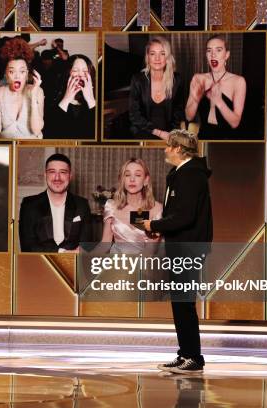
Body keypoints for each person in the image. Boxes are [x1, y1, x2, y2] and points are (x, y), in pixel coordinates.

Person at [143, 129, 213, 374]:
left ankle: (193, 357)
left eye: (169, 146)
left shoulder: (191, 175)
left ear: (179, 149)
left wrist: (155, 225)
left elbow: (184, 217)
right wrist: (160, 229)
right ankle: (186, 354)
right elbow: (177, 215)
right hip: (180, 247)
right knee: (180, 303)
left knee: (184, 303)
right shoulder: (181, 173)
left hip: (188, 249)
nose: (165, 149)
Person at [19, 153, 92, 252]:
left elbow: (86, 245)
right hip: (41, 263)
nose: (57, 178)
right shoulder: (29, 205)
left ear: (70, 176)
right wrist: (62, 253)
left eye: (63, 172)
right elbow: (27, 247)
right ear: (45, 175)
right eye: (52, 172)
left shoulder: (82, 205)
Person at [185, 35, 246, 139]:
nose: (213, 55)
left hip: (229, 141)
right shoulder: (198, 78)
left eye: (218, 50)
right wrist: (195, 100)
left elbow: (235, 123)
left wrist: (219, 101)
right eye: (209, 51)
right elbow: (189, 116)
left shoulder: (238, 81)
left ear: (226, 55)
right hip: (204, 137)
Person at [101, 158, 162, 252]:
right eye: (127, 175)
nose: (132, 179)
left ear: (146, 180)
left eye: (137, 175)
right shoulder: (111, 206)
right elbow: (104, 245)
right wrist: (83, 255)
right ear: (122, 179)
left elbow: (150, 251)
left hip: (142, 264)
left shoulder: (156, 209)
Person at [129, 37, 184, 140]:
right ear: (148, 57)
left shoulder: (177, 79)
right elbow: (134, 115)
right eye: (153, 54)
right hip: (143, 132)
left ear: (167, 57)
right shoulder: (137, 79)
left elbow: (178, 112)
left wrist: (171, 134)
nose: (157, 58)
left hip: (169, 134)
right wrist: (158, 133)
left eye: (162, 54)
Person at [0, 38, 44, 139]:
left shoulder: (37, 91)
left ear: (27, 74)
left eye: (22, 71)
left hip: (31, 148)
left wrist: (33, 98)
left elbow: (37, 130)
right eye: (12, 71)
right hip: (7, 147)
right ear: (6, 74)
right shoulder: (0, 92)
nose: (17, 76)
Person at [44, 54, 96, 139]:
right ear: (67, 74)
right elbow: (50, 133)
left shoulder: (97, 102)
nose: (80, 75)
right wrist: (66, 99)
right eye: (75, 70)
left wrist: (91, 100)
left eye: (85, 71)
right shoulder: (52, 98)